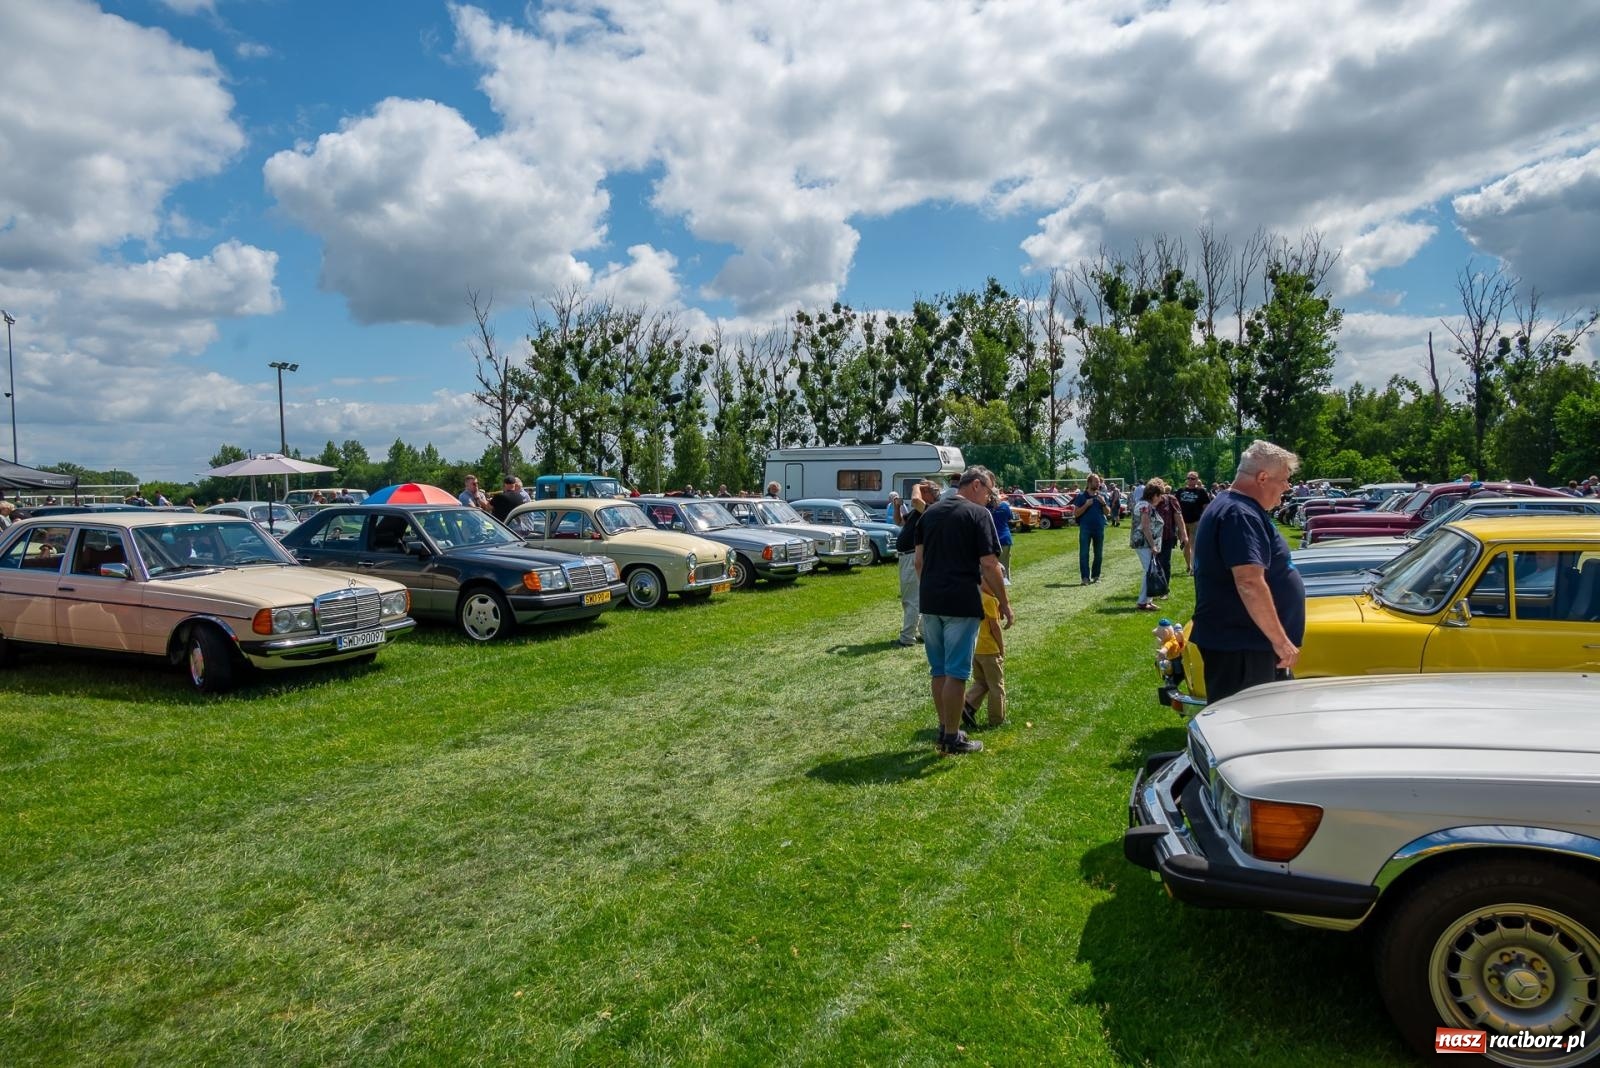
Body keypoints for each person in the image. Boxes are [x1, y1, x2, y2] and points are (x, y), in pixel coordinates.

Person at [1190, 440, 1305, 704]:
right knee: (1250, 723)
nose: (1287, 487)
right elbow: (1249, 582)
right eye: (1284, 480)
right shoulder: (1239, 514)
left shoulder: (1234, 506)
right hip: (1243, 649)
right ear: (1262, 478)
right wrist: (1281, 641)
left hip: (1244, 646)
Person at [916, 467, 1013, 755]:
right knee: (956, 673)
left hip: (930, 601)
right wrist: (1004, 603)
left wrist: (931, 588)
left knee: (939, 671)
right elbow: (989, 564)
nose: (990, 498)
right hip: (961, 601)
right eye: (989, 492)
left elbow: (919, 562)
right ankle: (951, 736)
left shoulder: (929, 514)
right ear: (976, 485)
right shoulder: (978, 514)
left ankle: (944, 728)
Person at [895, 481, 936, 647]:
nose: (919, 492)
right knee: (917, 597)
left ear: (929, 494)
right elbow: (899, 522)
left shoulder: (930, 508)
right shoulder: (917, 512)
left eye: (924, 490)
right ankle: (925, 633)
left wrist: (916, 485)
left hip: (913, 555)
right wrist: (896, 506)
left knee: (911, 599)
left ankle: (907, 637)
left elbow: (915, 501)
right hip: (908, 556)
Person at [961, 584, 1006, 730]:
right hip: (990, 650)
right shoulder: (989, 600)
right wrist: (1001, 647)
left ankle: (967, 705)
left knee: (982, 682)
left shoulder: (973, 596)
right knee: (996, 686)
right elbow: (994, 626)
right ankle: (997, 720)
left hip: (976, 648)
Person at [1132, 479, 1166, 611]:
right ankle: (1142, 602)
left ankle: (1148, 601)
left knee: (1151, 570)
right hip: (1143, 543)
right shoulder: (1144, 506)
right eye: (1160, 495)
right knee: (1149, 571)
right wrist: (1153, 545)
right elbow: (1145, 527)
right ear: (1154, 495)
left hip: (1147, 543)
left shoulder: (1147, 505)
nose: (1161, 498)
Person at [1071, 473, 1109, 584]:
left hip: (1099, 528)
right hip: (1085, 529)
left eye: (1099, 482)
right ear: (1089, 483)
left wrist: (1103, 503)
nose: (1098, 484)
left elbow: (1107, 512)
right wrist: (1086, 505)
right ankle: (1085, 578)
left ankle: (1096, 576)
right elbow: (1076, 513)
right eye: (1096, 482)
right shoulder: (1081, 496)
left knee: (1098, 554)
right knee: (1084, 553)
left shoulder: (1102, 496)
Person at [1152, 477, 1187, 589]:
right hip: (1151, 537)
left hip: (1167, 536)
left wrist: (1183, 534)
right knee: (1153, 562)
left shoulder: (1171, 499)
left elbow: (1178, 516)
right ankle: (1154, 587)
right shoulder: (1148, 501)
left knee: (1165, 562)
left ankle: (1164, 588)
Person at [1175, 471, 1212, 575]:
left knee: (1193, 545)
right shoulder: (1180, 491)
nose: (1190, 480)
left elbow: (1206, 506)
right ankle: (1188, 565)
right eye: (1189, 478)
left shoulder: (1201, 492)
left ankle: (1193, 568)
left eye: (1193, 478)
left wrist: (1204, 519)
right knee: (1185, 544)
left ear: (1197, 480)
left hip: (1195, 521)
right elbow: (1175, 506)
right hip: (1182, 522)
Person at [988, 486, 1014, 578]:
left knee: (992, 567)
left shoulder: (985, 507)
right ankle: (1006, 583)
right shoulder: (1004, 506)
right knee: (1005, 566)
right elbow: (1010, 518)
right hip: (1005, 538)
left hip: (991, 539)